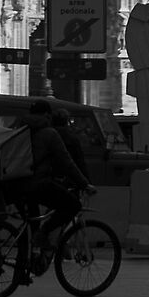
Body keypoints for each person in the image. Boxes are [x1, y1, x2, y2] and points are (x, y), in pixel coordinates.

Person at [25, 100, 91, 241]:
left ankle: (27, 257)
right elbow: (68, 162)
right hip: (39, 183)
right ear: (47, 115)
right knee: (72, 205)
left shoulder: (20, 129)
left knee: (31, 220)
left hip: (17, 183)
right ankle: (44, 233)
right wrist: (85, 183)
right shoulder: (50, 134)